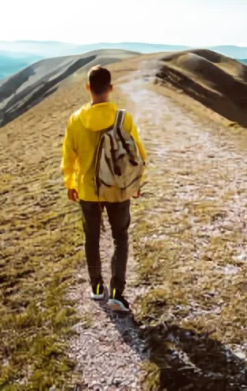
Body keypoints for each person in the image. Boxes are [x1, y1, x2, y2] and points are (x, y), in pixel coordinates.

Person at [61, 65, 146, 312]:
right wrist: (136, 183)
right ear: (110, 89)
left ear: (88, 88)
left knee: (92, 238)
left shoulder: (76, 120)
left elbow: (68, 156)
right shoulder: (123, 118)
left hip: (88, 190)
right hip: (118, 189)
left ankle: (97, 288)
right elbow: (138, 153)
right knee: (120, 238)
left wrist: (70, 183)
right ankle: (117, 294)